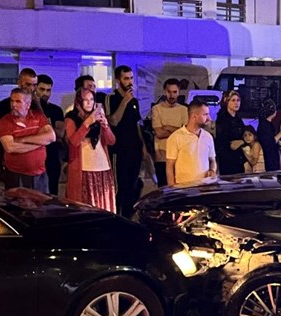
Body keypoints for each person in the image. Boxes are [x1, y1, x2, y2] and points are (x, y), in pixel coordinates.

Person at [107, 65, 151, 217]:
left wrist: (143, 147)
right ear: (118, 80)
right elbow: (113, 121)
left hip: (134, 150)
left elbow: (137, 124)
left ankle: (129, 217)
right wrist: (124, 101)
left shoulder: (135, 101)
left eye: (131, 78)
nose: (130, 82)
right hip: (119, 151)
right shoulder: (111, 99)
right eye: (126, 78)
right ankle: (118, 217)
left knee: (134, 187)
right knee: (121, 188)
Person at [65, 87, 117, 212]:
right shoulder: (71, 118)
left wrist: (105, 125)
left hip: (102, 167)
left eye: (92, 99)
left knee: (103, 205)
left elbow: (111, 141)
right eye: (85, 100)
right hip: (83, 169)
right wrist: (86, 124)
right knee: (85, 206)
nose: (89, 103)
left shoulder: (99, 116)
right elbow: (73, 142)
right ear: (78, 102)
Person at [0, 88, 56, 191]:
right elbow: (10, 147)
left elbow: (51, 137)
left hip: (40, 174)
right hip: (16, 175)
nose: (13, 105)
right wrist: (40, 143)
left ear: (28, 105)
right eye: (12, 101)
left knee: (42, 205)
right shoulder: (5, 121)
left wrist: (23, 140)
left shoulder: (38, 117)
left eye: (18, 101)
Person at [166, 99, 217, 187]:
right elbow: (170, 166)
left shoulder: (208, 137)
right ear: (194, 116)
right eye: (205, 114)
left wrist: (212, 171)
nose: (209, 118)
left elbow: (213, 161)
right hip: (184, 190)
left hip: (204, 188)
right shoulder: (176, 137)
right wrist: (172, 188)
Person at [151, 78, 189, 186]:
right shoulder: (156, 109)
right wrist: (177, 130)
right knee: (163, 189)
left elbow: (185, 133)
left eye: (174, 92)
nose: (172, 95)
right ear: (164, 92)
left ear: (179, 92)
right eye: (169, 92)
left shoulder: (184, 110)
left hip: (179, 157)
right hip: (162, 157)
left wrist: (167, 127)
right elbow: (159, 133)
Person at [34, 74, 65, 193]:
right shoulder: (28, 109)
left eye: (48, 90)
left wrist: (39, 107)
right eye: (42, 89)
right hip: (34, 159)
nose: (45, 94)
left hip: (51, 158)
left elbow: (58, 135)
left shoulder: (56, 110)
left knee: (52, 195)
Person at [215, 89, 247, 176]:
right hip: (227, 159)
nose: (236, 103)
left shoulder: (238, 118)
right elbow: (223, 141)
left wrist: (242, 141)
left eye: (238, 100)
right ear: (227, 102)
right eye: (233, 100)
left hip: (238, 158)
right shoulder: (222, 119)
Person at [254, 98, 281, 172]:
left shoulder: (266, 124)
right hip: (269, 161)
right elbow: (269, 143)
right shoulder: (264, 127)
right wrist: (280, 134)